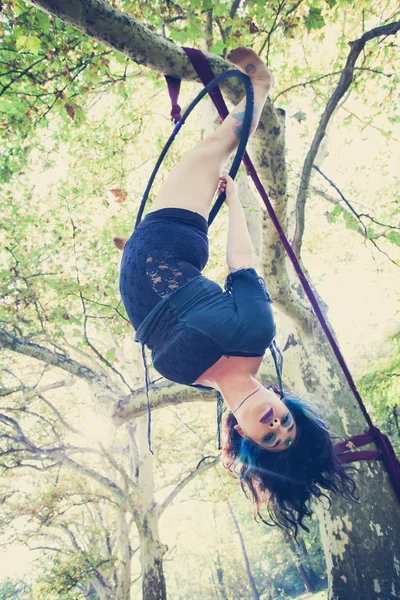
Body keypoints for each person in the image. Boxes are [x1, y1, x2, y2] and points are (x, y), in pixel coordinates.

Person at [118, 48, 357, 536]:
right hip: (170, 242)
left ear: (243, 438)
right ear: (286, 404)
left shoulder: (197, 380)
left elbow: (161, 327)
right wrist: (231, 203)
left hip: (143, 262)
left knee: (205, 155)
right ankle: (261, 86)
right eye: (288, 424)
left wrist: (129, 264)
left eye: (270, 439)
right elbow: (241, 266)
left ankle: (129, 245)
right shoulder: (255, 333)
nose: (277, 425)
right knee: (212, 149)